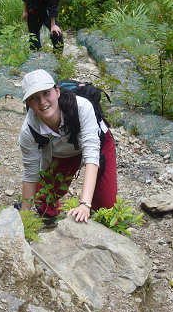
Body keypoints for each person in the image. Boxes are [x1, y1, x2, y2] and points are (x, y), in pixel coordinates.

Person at [18, 69, 117, 225]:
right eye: (34, 98)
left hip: (99, 144)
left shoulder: (82, 107)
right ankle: (49, 218)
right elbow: (31, 174)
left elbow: (92, 153)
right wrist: (23, 218)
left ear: (57, 91)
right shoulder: (28, 130)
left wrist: (85, 204)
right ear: (28, 104)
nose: (42, 102)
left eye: (46, 93)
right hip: (62, 150)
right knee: (43, 198)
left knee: (106, 205)